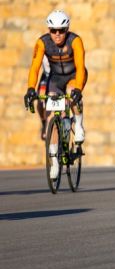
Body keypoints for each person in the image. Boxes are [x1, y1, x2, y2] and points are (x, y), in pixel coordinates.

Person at [25, 10, 87, 180]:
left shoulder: (75, 40)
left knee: (71, 93)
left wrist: (78, 89)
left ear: (67, 29)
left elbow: (81, 66)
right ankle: (55, 161)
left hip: (74, 76)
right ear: (49, 29)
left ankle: (79, 125)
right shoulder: (42, 42)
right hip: (55, 79)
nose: (57, 34)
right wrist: (31, 88)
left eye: (61, 30)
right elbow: (35, 67)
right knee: (52, 114)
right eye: (53, 30)